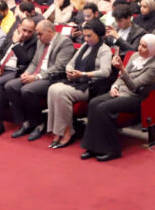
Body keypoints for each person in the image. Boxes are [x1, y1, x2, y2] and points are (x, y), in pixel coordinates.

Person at [80, 33, 155, 161]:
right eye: (140, 45)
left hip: (135, 98)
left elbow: (134, 87)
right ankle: (93, 147)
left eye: (144, 47)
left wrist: (122, 69)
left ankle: (112, 149)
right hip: (120, 92)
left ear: (152, 49)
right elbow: (120, 78)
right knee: (93, 103)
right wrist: (115, 87)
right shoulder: (135, 56)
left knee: (103, 108)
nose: (140, 48)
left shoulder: (154, 67)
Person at [1, 19, 76, 141]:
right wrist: (27, 73)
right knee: (10, 86)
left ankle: (38, 123)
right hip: (36, 74)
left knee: (27, 90)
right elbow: (34, 62)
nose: (38, 36)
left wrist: (36, 77)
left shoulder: (64, 42)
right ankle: (25, 122)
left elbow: (59, 67)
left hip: (52, 78)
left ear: (49, 31)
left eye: (40, 34)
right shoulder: (41, 41)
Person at [45, 18, 112, 149]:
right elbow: (70, 63)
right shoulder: (83, 47)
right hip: (78, 81)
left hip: (92, 86)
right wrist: (70, 70)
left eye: (89, 36)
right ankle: (57, 131)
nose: (86, 39)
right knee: (52, 88)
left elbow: (105, 72)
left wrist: (83, 74)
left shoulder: (105, 50)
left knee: (61, 92)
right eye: (84, 36)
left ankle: (67, 131)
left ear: (99, 34)